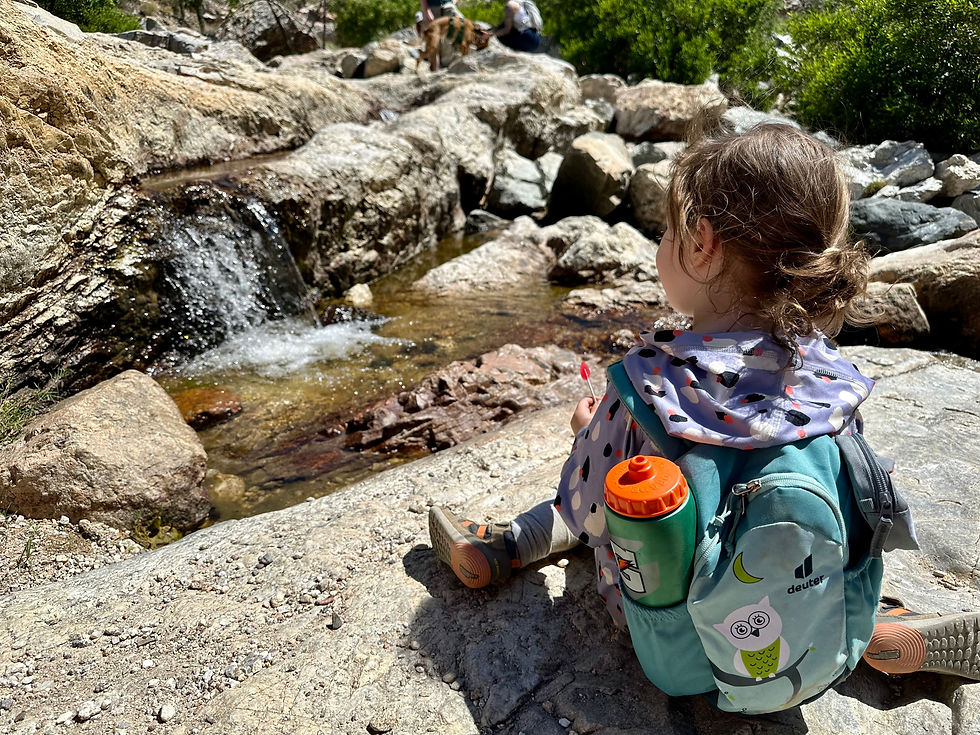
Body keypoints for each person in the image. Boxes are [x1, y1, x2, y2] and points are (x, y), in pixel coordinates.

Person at [429, 115, 980, 682]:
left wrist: (586, 435)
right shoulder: (829, 374)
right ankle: (873, 623)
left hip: (685, 644)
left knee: (596, 500)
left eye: (667, 233)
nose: (662, 245)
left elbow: (587, 510)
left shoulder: (652, 386)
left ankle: (507, 546)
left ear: (701, 244)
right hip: (808, 612)